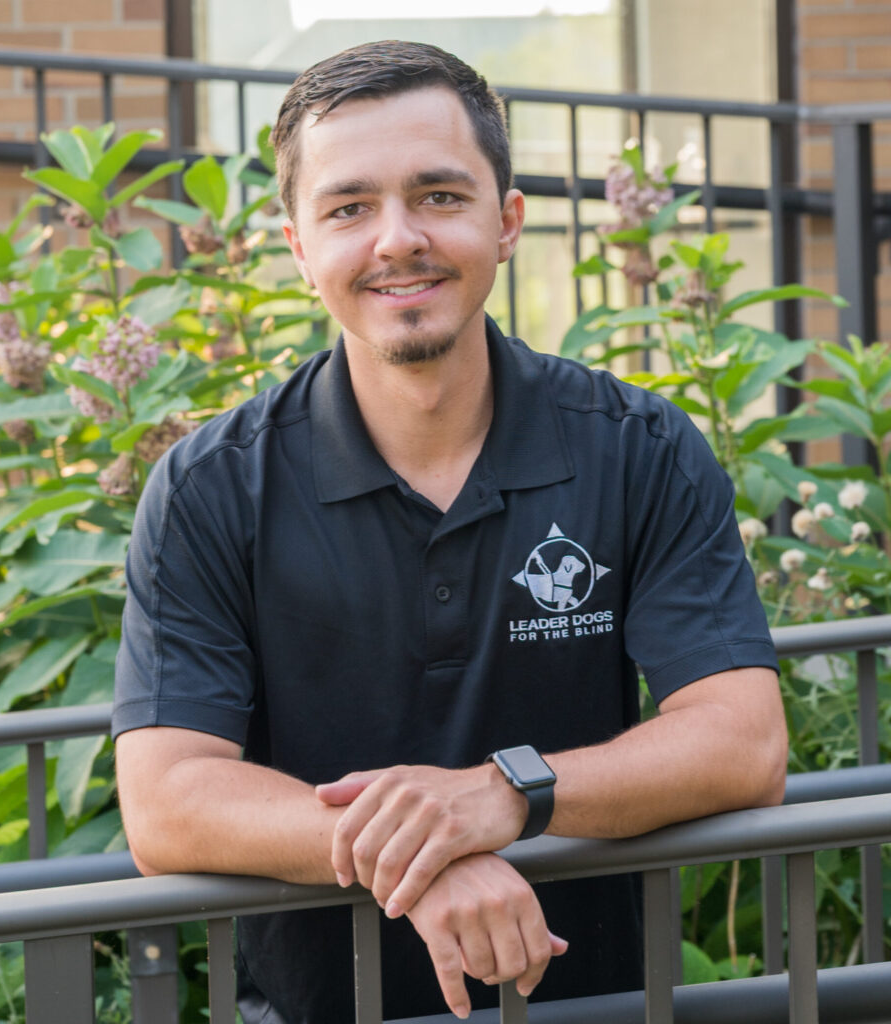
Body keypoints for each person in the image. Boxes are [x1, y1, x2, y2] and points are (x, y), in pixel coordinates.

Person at [113, 39, 786, 1024]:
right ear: (299, 245)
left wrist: (503, 794)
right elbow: (169, 799)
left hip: (588, 1007)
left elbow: (742, 742)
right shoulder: (211, 489)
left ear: (505, 221)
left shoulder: (639, 448)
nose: (396, 239)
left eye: (438, 195)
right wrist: (425, 855)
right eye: (349, 207)